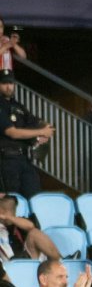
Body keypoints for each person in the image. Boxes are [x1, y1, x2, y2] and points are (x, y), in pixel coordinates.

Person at [0, 70, 52, 198]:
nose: (8, 86)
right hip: (6, 159)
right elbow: (12, 133)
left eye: (11, 83)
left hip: (24, 157)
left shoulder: (18, 106)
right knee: (12, 200)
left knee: (35, 197)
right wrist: (41, 132)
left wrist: (44, 132)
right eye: (4, 83)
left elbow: (36, 121)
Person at [0, 194, 61, 263]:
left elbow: (31, 226)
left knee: (35, 233)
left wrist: (7, 217)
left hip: (25, 259)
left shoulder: (19, 221)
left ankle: (60, 264)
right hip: (5, 265)